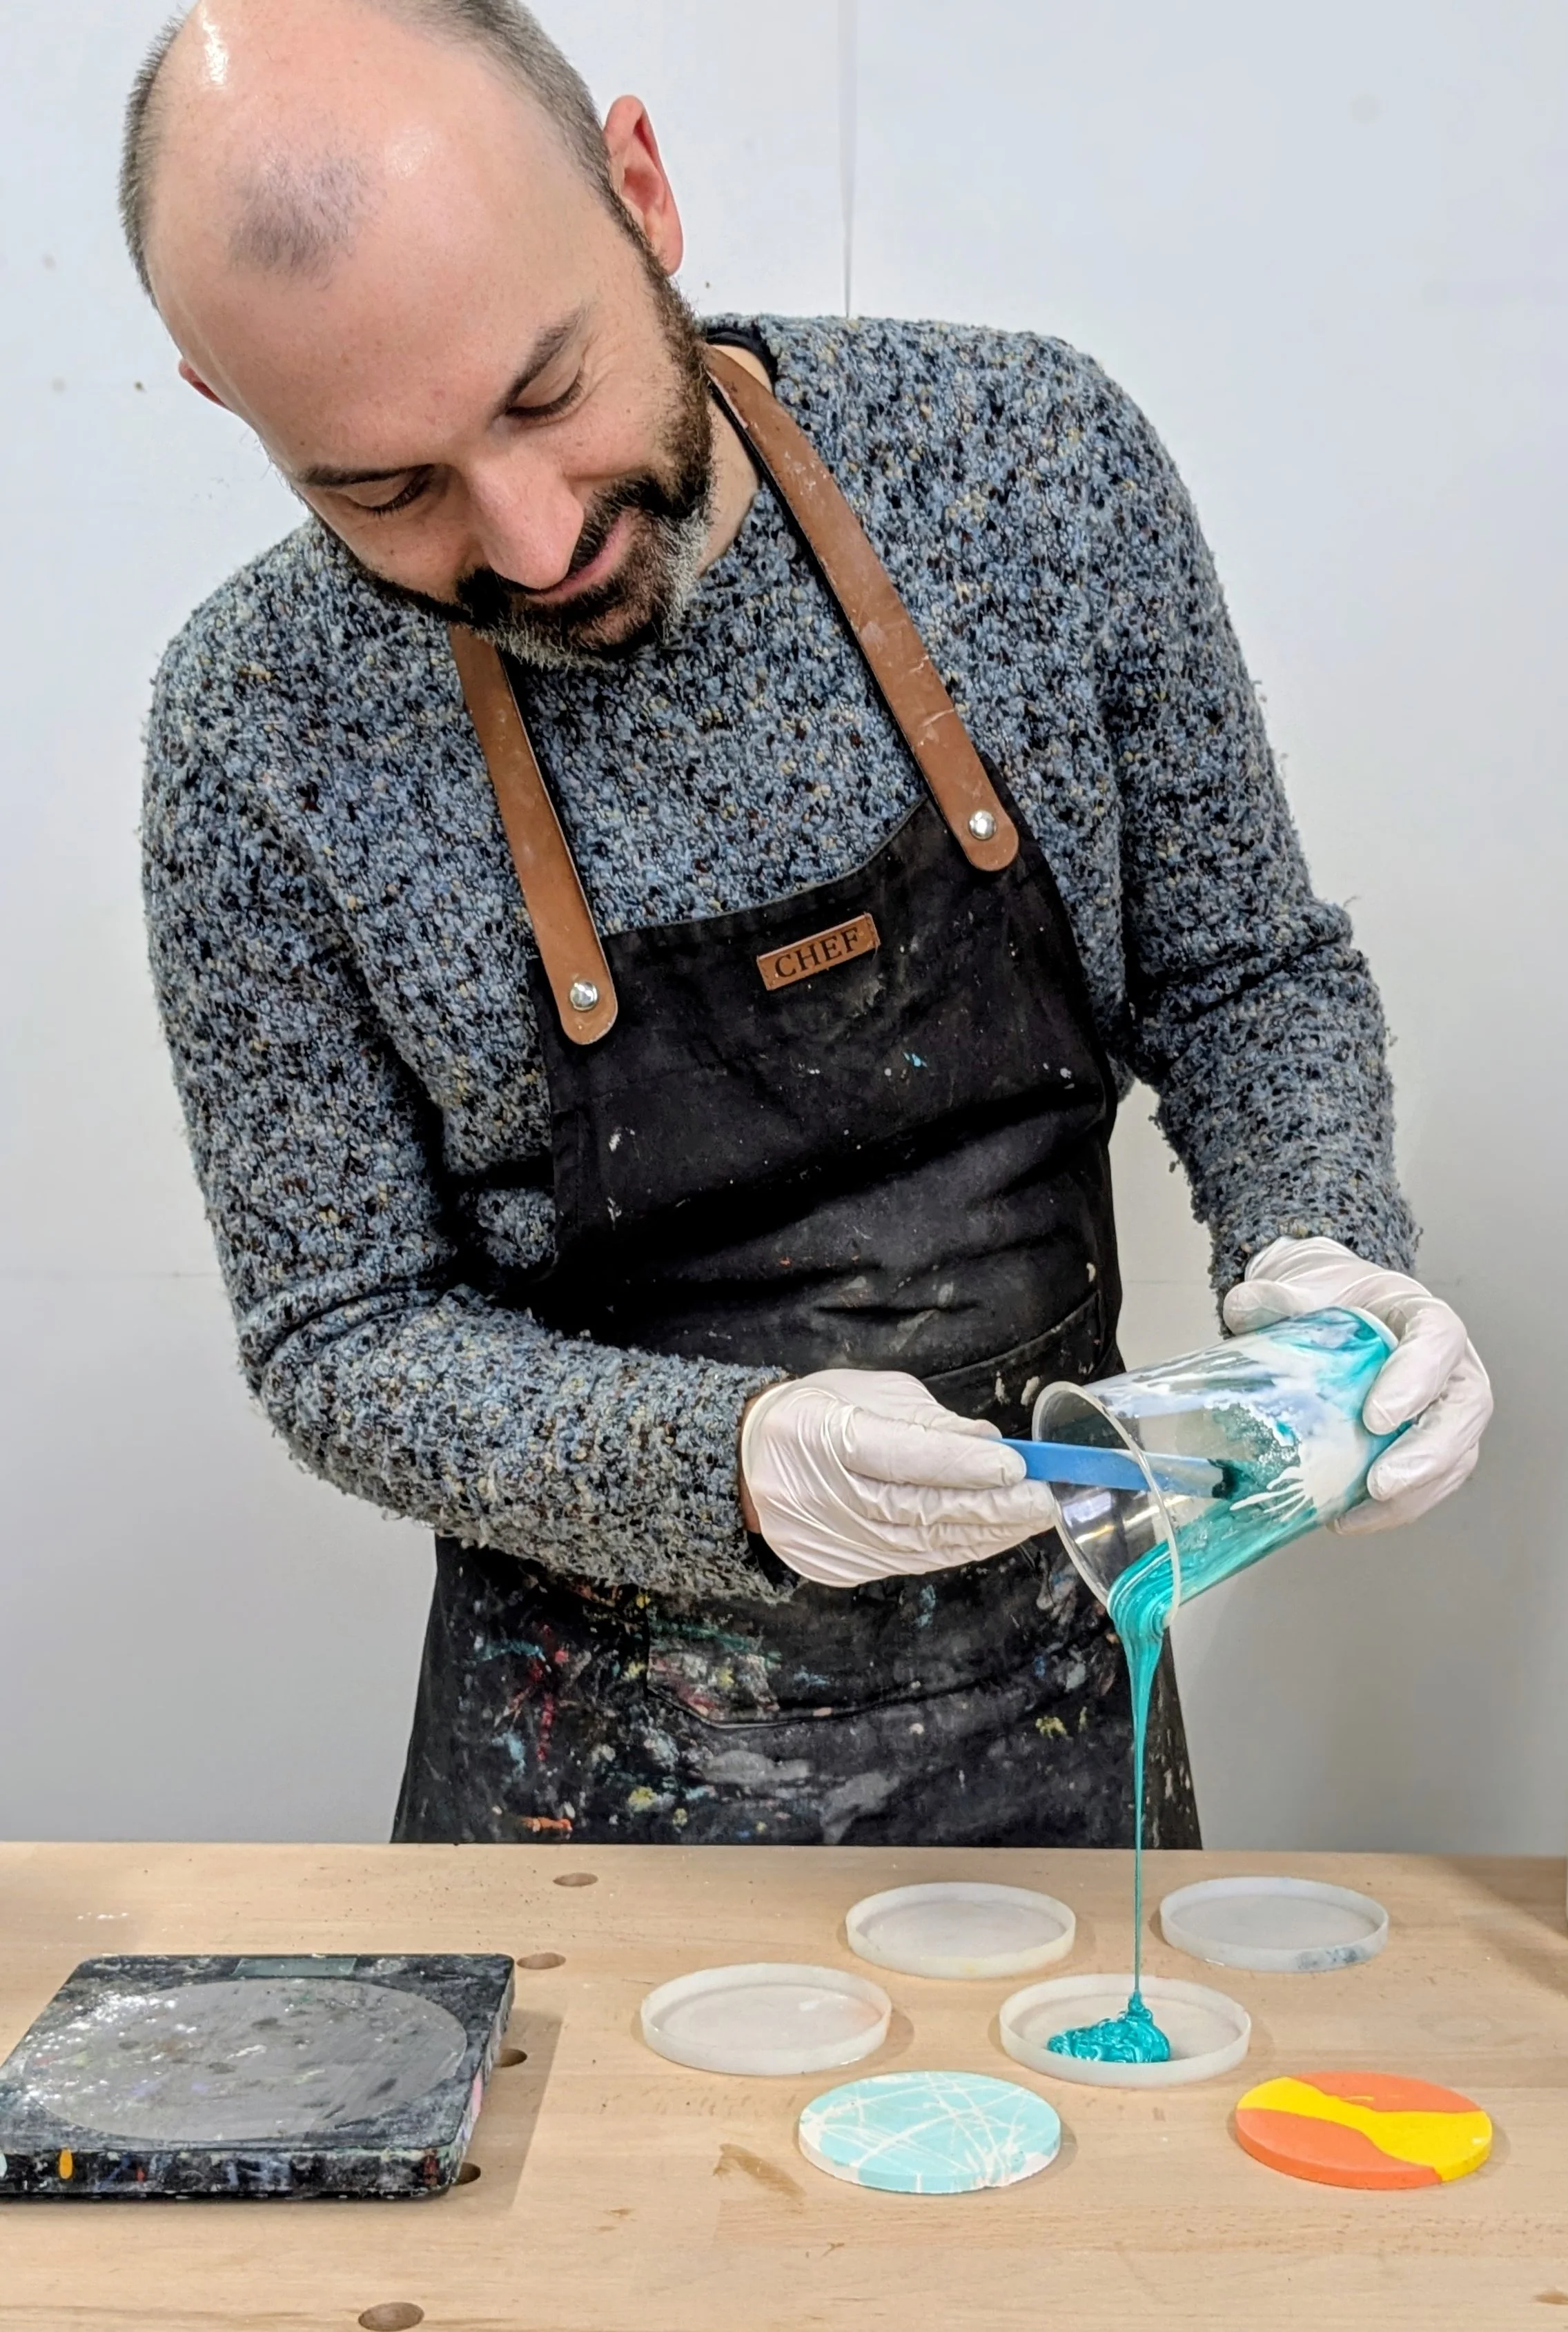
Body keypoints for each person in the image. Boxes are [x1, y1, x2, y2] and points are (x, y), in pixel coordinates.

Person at [124, 0, 1492, 1849]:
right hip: (577, 1799)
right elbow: (338, 1333)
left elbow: (1242, 974)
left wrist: (1325, 1257)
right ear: (230, 403)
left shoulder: (1031, 466)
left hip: (1072, 1704)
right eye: (387, 486)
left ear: (640, 190)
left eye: (546, 395)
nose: (531, 542)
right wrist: (728, 1464)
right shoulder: (251, 730)